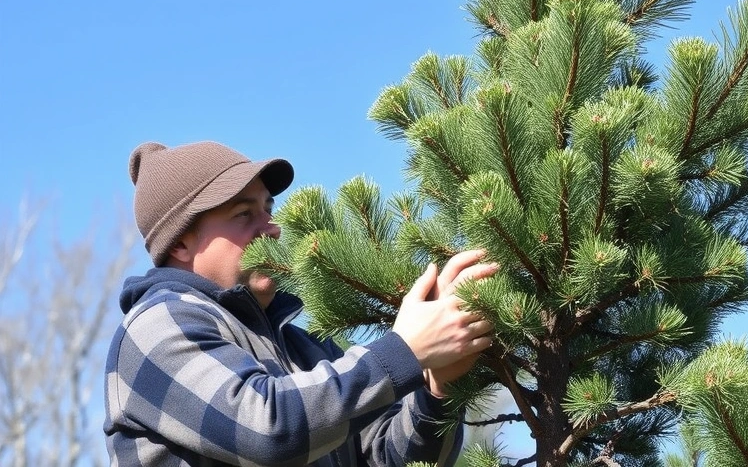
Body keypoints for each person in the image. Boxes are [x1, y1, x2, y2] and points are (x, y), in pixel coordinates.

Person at [104, 141, 497, 466]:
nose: (271, 227)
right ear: (181, 243)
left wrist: (437, 390)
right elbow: (266, 429)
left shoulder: (303, 349)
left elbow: (390, 459)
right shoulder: (156, 325)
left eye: (268, 209)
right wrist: (405, 351)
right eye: (243, 214)